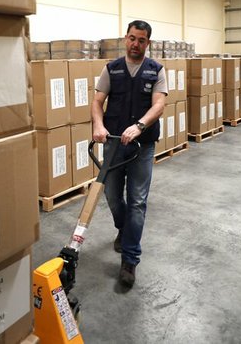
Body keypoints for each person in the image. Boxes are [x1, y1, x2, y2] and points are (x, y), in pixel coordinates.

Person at [91, 20, 168, 287]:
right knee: (113, 196)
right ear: (126, 39)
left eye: (142, 40)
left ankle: (130, 259)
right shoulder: (111, 69)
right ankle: (124, 231)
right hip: (113, 143)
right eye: (132, 39)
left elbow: (159, 104)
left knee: (137, 201)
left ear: (148, 43)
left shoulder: (156, 70)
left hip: (142, 145)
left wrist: (139, 126)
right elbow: (98, 101)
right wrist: (98, 125)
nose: (136, 44)